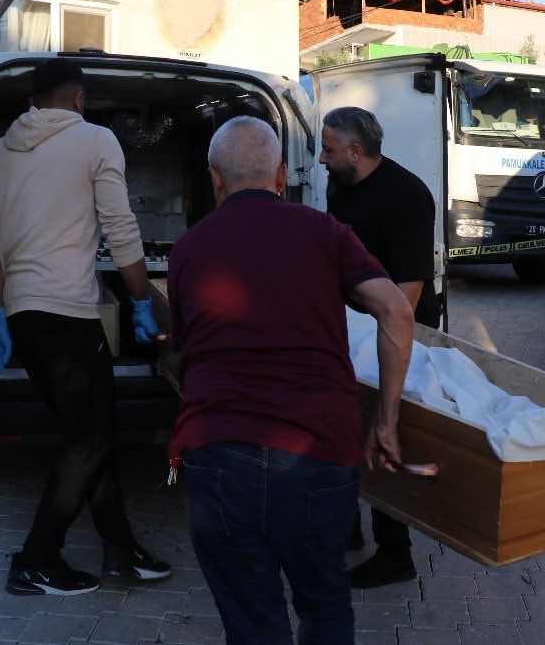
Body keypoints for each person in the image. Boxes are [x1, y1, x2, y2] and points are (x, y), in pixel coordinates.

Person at [166, 115, 414, 643]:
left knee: (253, 624)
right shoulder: (326, 232)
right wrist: (386, 421)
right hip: (317, 453)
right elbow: (396, 311)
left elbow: (186, 349)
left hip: (220, 456)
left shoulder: (187, 249)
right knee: (324, 607)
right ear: (282, 176)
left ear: (215, 179)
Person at [0, 58, 172, 596]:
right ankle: (35, 560)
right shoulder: (96, 140)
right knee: (86, 440)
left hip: (24, 315)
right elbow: (121, 228)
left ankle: (121, 550)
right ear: (79, 100)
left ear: (32, 102)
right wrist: (142, 300)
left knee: (92, 435)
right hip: (68, 315)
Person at [318, 106, 438, 589]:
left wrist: (375, 345)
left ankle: (395, 554)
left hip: (395, 331)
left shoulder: (407, 196)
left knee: (385, 426)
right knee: (344, 425)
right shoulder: (340, 183)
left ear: (355, 152)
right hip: (351, 328)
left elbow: (407, 294)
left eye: (328, 150)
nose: (321, 159)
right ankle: (347, 526)